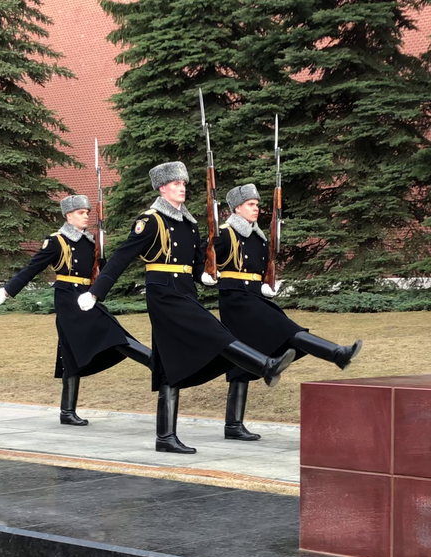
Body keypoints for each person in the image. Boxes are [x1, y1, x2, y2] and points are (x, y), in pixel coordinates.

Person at [82, 162, 296, 454]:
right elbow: (122, 256)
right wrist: (96, 292)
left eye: (183, 183)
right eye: (175, 183)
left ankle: (165, 437)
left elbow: (197, 263)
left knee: (169, 364)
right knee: (214, 331)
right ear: (162, 188)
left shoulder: (190, 222)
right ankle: (265, 365)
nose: (182, 187)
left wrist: (205, 276)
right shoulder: (152, 220)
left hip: (184, 290)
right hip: (163, 293)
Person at [215, 184, 362, 440]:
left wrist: (267, 284)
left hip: (254, 297)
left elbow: (262, 269)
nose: (256, 208)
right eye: (251, 204)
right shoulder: (225, 234)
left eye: (257, 204)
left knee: (241, 361)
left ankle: (233, 425)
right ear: (237, 208)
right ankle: (336, 354)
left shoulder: (258, 237)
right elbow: (204, 260)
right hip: (235, 299)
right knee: (287, 330)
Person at [0, 195, 152, 426]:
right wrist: (8, 291)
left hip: (87, 297)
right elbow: (33, 267)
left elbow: (101, 270)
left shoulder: (90, 242)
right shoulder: (57, 241)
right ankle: (153, 361)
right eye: (80, 212)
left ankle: (67, 411)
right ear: (68, 216)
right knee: (112, 332)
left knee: (70, 352)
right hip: (69, 300)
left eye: (87, 212)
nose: (86, 215)